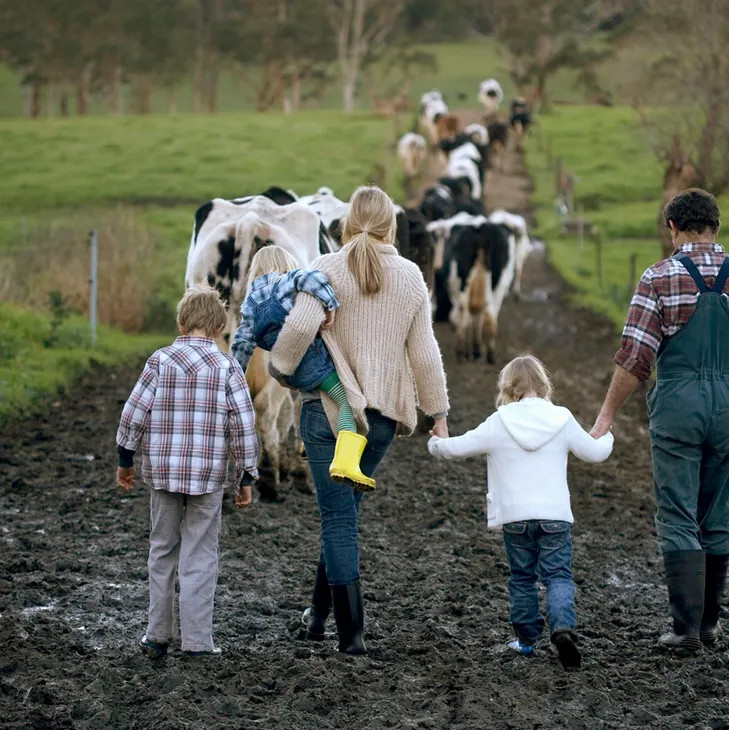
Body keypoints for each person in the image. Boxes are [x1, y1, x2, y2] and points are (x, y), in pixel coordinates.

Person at [268, 185, 450, 655]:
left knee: (337, 520)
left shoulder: (325, 269)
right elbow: (425, 354)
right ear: (392, 226)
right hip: (382, 422)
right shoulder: (410, 277)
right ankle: (317, 618)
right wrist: (439, 414)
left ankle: (351, 636)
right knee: (342, 515)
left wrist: (280, 368)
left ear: (346, 224)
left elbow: (299, 328)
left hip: (327, 415)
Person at [592, 188, 729, 652]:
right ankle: (710, 624)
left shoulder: (659, 277)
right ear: (715, 227)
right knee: (719, 514)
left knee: (678, 513)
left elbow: (635, 358)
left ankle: (685, 629)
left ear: (673, 228)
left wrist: (606, 415)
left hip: (678, 408)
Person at [428, 355, 613, 669]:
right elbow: (594, 453)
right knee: (558, 576)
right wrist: (607, 435)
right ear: (543, 384)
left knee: (522, 579)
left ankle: (526, 641)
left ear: (508, 387)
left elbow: (456, 447)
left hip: (515, 518)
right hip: (555, 516)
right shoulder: (562, 418)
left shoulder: (499, 421)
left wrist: (436, 443)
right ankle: (563, 629)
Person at [115, 284, 259, 659]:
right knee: (200, 554)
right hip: (208, 479)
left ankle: (156, 636)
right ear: (219, 326)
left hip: (162, 475)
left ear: (181, 322)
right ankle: (197, 642)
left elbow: (133, 412)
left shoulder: (159, 361)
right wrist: (246, 475)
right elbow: (244, 424)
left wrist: (125, 458)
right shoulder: (228, 366)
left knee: (162, 550)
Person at [230, 245, 375, 491]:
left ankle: (309, 442)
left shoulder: (250, 301)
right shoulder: (286, 280)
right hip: (311, 358)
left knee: (316, 396)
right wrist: (330, 306)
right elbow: (312, 277)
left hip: (287, 370)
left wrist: (234, 376)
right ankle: (346, 463)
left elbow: (242, 342)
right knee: (346, 401)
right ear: (285, 263)